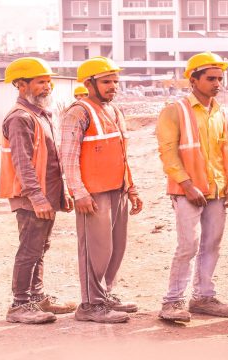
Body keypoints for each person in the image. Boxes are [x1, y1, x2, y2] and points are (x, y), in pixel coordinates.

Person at [155, 52, 228, 322]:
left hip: (217, 190)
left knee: (212, 244)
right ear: (193, 80)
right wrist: (187, 185)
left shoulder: (221, 112)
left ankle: (203, 297)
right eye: (211, 78)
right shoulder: (174, 111)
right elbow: (168, 153)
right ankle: (172, 302)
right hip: (187, 191)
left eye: (219, 79)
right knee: (188, 245)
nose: (217, 83)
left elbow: (225, 151)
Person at [60, 56, 144, 323]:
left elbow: (122, 155)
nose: (113, 87)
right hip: (93, 195)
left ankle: (105, 294)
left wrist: (131, 188)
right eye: (107, 81)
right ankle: (90, 305)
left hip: (117, 190)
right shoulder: (78, 112)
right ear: (89, 83)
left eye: (115, 82)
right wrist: (79, 192)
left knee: (115, 247)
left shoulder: (114, 111)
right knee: (95, 250)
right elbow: (68, 157)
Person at [0, 57, 76, 324]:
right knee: (30, 249)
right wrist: (37, 198)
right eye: (41, 82)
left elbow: (51, 159)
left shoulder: (43, 114)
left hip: (47, 194)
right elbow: (22, 163)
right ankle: (20, 305)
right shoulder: (20, 118)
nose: (48, 86)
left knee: (41, 247)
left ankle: (37, 296)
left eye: (48, 81)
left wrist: (61, 192)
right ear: (21, 85)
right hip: (32, 197)